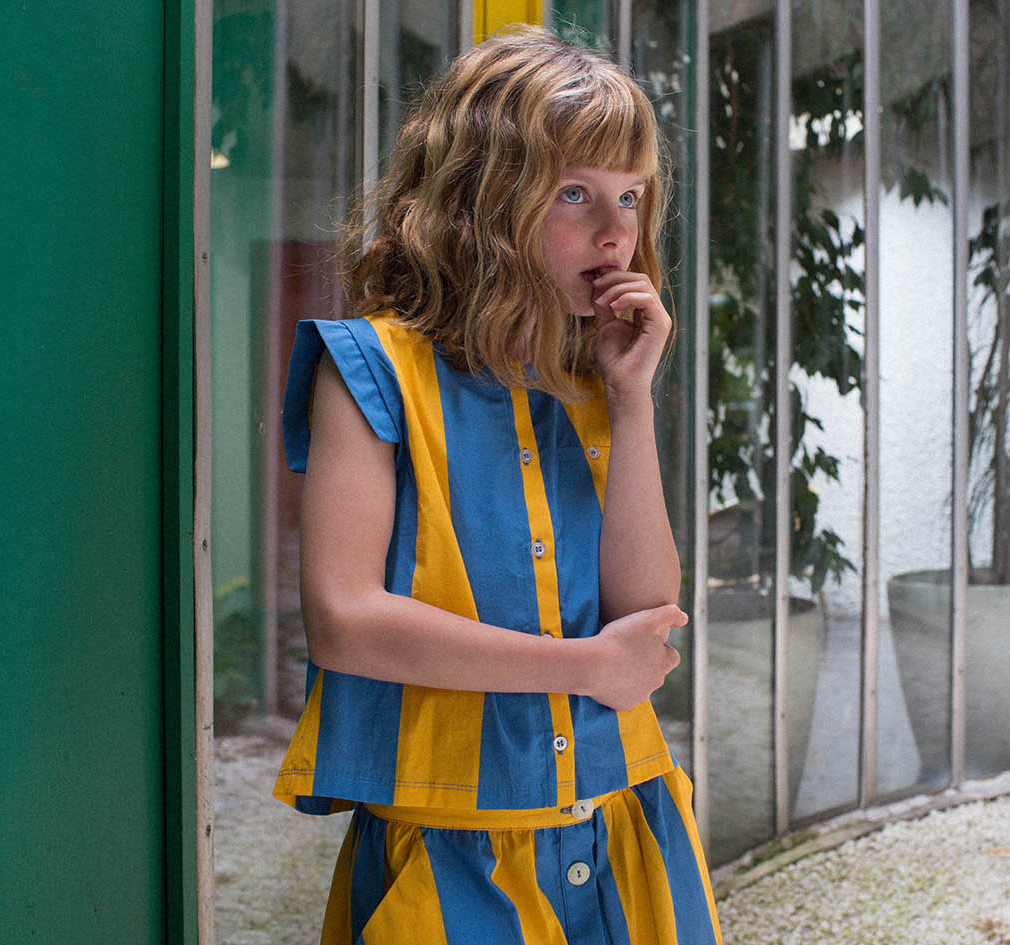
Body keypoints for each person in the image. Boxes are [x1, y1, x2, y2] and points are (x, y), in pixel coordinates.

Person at [272, 25, 722, 945]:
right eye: (574, 192)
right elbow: (345, 621)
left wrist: (631, 399)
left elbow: (647, 611)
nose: (616, 232)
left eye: (630, 195)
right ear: (481, 197)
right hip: (449, 849)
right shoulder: (368, 371)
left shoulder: (597, 376)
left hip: (628, 825)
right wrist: (582, 667)